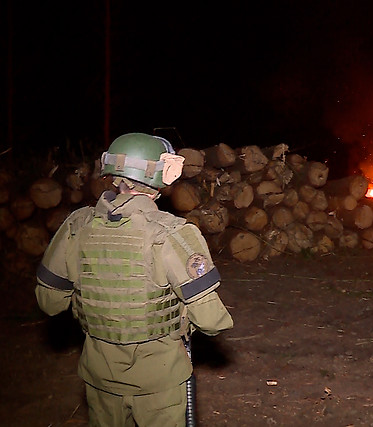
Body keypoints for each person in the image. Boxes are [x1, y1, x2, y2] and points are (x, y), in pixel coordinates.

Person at [36, 133, 233, 426]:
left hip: (99, 375)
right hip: (160, 381)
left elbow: (49, 302)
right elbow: (212, 321)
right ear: (156, 175)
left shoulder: (77, 226)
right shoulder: (171, 233)